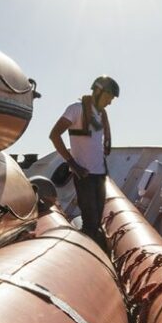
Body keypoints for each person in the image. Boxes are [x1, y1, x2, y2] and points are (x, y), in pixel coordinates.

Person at [49, 75, 120, 252]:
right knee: (90, 222)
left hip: (100, 173)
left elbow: (98, 139)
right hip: (84, 175)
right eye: (108, 98)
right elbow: (54, 135)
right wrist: (73, 164)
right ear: (97, 91)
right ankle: (85, 256)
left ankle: (95, 251)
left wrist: (106, 146)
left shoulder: (101, 114)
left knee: (97, 220)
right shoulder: (75, 110)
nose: (110, 103)